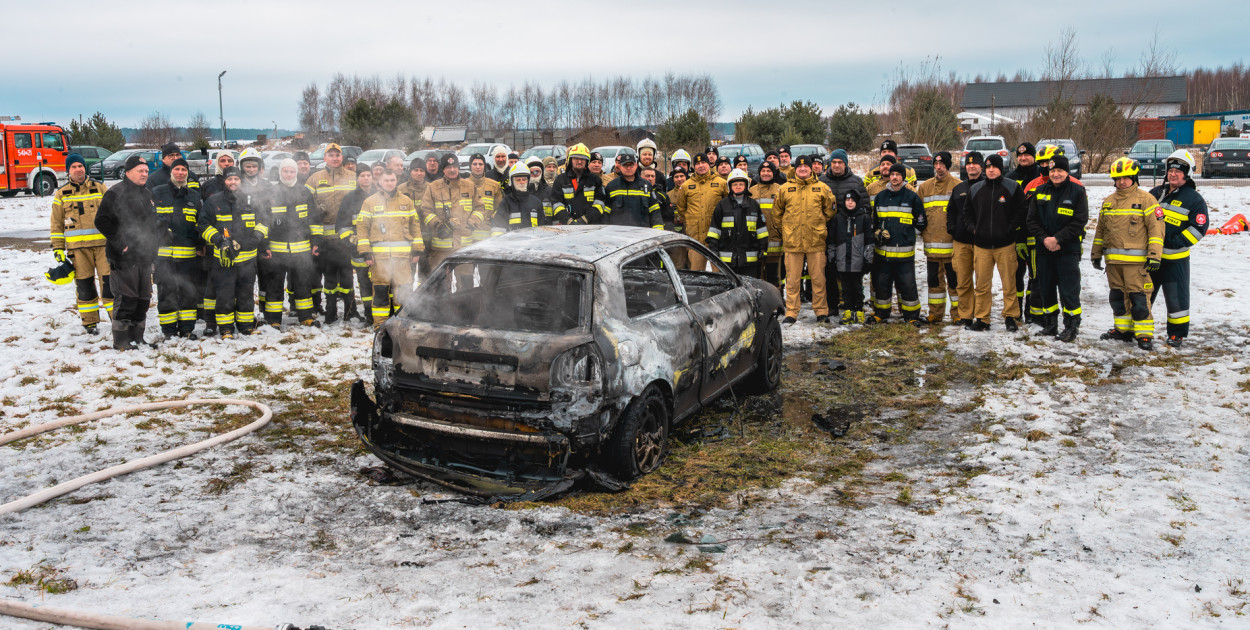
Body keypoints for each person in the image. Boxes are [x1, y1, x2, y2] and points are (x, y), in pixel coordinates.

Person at [1092, 158, 1165, 350]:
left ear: (1134, 178)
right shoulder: (1108, 202)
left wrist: (1155, 256)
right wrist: (1096, 254)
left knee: (1139, 300)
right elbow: (1101, 231)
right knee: (1117, 299)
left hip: (1137, 264)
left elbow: (1156, 230)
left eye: (1126, 178)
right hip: (1113, 263)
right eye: (1118, 178)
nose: (1122, 182)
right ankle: (1122, 330)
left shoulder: (1147, 200)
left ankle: (1144, 335)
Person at [95, 155, 162, 350]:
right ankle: (121, 340)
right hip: (124, 257)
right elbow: (101, 221)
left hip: (144, 255)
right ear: (128, 172)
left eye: (147, 171)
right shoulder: (116, 193)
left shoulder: (147, 193)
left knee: (143, 298)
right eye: (140, 171)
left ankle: (137, 337)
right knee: (126, 298)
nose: (144, 174)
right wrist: (121, 243)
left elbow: (149, 223)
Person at [199, 166, 268, 339]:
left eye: (236, 179)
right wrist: (218, 240)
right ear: (224, 181)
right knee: (225, 296)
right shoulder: (213, 202)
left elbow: (265, 220)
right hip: (224, 261)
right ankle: (226, 329)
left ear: (241, 180)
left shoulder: (251, 200)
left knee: (245, 295)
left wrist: (257, 236)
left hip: (247, 260)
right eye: (229, 179)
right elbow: (203, 225)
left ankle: (245, 326)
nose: (233, 182)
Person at [1148, 150, 1208, 348]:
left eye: (1178, 171)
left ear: (1187, 174)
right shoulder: (1156, 193)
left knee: (1176, 299)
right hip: (1151, 257)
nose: (1173, 174)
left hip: (1175, 260)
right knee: (1143, 294)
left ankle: (1176, 335)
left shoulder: (1194, 199)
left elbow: (1199, 229)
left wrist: (1174, 241)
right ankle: (1138, 329)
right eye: (1171, 170)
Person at [1025, 155, 1088, 342]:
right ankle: (1050, 325)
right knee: (1046, 288)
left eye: (1060, 170)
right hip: (1044, 249)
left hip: (1067, 249)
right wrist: (1045, 239)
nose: (1056, 174)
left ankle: (1071, 326)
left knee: (1069, 290)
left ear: (1067, 171)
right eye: (1052, 171)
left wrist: (1058, 238)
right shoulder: (1040, 190)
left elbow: (1079, 221)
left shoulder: (1077, 191)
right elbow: (1031, 220)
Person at [51, 153, 112, 333]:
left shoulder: (100, 188)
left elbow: (114, 215)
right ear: (68, 170)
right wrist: (58, 249)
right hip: (77, 251)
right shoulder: (61, 194)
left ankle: (118, 319)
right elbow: (56, 224)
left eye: (80, 166)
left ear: (85, 168)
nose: (78, 169)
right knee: (85, 287)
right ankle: (90, 323)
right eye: (74, 167)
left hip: (103, 247)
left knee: (109, 286)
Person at [964, 155, 1026, 332]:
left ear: (1001, 169)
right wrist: (973, 229)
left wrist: (1010, 229)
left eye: (995, 167)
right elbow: (967, 212)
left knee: (1009, 283)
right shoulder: (976, 189)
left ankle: (1011, 317)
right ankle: (983, 318)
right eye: (988, 167)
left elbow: (1022, 210)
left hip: (1005, 245)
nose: (991, 170)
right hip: (982, 246)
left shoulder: (1012, 187)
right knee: (982, 286)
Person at [774, 155, 835, 323]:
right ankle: (792, 312)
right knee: (793, 280)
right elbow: (777, 213)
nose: (802, 169)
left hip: (816, 241)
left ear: (811, 169)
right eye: (799, 167)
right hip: (793, 241)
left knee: (818, 279)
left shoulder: (822, 188)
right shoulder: (785, 189)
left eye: (806, 167)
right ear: (795, 169)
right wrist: (786, 229)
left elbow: (830, 212)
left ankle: (821, 311)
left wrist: (818, 227)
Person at [356, 170, 421, 328]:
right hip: (380, 260)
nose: (390, 183)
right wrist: (365, 252)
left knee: (403, 293)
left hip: (402, 258)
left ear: (396, 180)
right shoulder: (369, 202)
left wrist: (417, 249)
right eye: (386, 180)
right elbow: (362, 228)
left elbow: (415, 226)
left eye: (392, 180)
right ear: (379, 182)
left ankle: (402, 324)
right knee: (380, 293)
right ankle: (380, 326)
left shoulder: (406, 201)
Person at [304, 143, 356, 324]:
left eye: (338, 155)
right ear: (325, 158)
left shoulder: (353, 177)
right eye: (331, 155)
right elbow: (307, 207)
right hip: (324, 239)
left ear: (342, 157)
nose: (335, 158)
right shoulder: (314, 179)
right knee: (327, 277)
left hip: (346, 237)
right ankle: (327, 309)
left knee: (348, 275)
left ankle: (351, 309)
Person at [152, 157, 203, 338]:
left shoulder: (195, 197)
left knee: (188, 292)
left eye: (183, 170)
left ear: (187, 173)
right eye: (177, 169)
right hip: (164, 255)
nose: (180, 173)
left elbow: (200, 224)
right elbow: (149, 220)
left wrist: (200, 244)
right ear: (171, 171)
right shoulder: (157, 192)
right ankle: (169, 331)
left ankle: (187, 329)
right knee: (166, 293)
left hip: (188, 256)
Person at [263, 159, 318, 328]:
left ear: (296, 173)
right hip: (277, 249)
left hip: (301, 249)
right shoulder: (271, 192)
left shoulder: (304, 192)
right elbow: (263, 221)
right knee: (275, 284)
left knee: (303, 283)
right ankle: (273, 320)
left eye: (292, 172)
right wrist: (264, 244)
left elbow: (314, 219)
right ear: (280, 173)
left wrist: (316, 241)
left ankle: (306, 317)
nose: (289, 175)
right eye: (285, 171)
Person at [869, 163, 926, 324]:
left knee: (907, 285)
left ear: (903, 177)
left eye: (898, 175)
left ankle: (911, 316)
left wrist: (908, 234)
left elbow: (921, 222)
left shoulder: (912, 197)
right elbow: (876, 221)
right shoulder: (881, 196)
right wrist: (878, 232)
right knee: (882, 284)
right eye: (892, 174)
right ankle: (881, 313)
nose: (894, 177)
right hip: (883, 253)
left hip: (904, 253)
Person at [820, 149, 868, 312]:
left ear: (846, 164)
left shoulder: (856, 182)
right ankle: (832, 305)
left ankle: (855, 304)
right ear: (830, 164)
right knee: (830, 270)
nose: (837, 165)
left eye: (840, 162)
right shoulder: (821, 181)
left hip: (852, 235)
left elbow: (865, 206)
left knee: (853, 272)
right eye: (834, 162)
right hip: (829, 234)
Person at [916, 151, 961, 323]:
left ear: (948, 166)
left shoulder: (958, 186)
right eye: (936, 164)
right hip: (931, 247)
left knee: (955, 283)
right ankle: (935, 313)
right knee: (934, 284)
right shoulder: (924, 187)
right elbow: (918, 215)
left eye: (942, 165)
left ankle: (958, 314)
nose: (938, 167)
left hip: (952, 247)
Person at [706, 169, 769, 278]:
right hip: (727, 262)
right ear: (730, 186)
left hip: (749, 261)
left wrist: (762, 248)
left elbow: (761, 230)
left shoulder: (753, 205)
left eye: (741, 184)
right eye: (735, 184)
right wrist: (713, 251)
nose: (738, 186)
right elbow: (714, 231)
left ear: (746, 186)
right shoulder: (722, 205)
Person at [421, 153, 479, 268]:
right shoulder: (433, 187)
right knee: (440, 283)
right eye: (448, 167)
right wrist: (439, 225)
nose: (452, 170)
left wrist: (472, 223)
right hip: (440, 249)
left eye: (455, 167)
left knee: (466, 283)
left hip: (464, 247)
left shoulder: (470, 186)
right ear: (443, 170)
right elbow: (426, 210)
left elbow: (480, 208)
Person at [947, 152, 984, 326]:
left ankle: (982, 316)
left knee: (982, 283)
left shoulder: (987, 187)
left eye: (975, 164)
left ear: (981, 166)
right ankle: (966, 315)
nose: (971, 166)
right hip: (961, 242)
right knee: (963, 282)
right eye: (968, 164)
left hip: (982, 243)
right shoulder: (959, 188)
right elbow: (951, 212)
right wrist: (952, 228)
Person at [1008, 142, 1043, 324]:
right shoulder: (1011, 177)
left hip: (1036, 236)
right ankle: (1016, 311)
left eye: (1027, 155)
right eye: (1020, 156)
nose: (1023, 158)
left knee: (1035, 276)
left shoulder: (1040, 176)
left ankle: (1032, 312)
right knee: (1016, 276)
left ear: (1034, 156)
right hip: (1016, 236)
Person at [673, 153, 727, 270]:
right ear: (694, 166)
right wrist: (691, 221)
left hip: (716, 238)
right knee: (696, 274)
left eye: (703, 163)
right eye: (697, 164)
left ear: (709, 164)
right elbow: (681, 209)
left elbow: (727, 206)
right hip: (695, 239)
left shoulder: (721, 183)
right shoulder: (686, 186)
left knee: (720, 273)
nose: (701, 166)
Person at [337, 164, 376, 321]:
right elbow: (341, 226)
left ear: (373, 177)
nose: (366, 178)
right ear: (357, 178)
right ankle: (369, 315)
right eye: (362, 176)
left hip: (380, 249)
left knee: (380, 283)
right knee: (365, 284)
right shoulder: (349, 199)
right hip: (359, 251)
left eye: (368, 175)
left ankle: (382, 313)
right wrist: (353, 240)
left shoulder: (381, 195)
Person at [830, 189, 873, 324]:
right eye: (847, 200)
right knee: (846, 288)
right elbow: (831, 240)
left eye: (852, 200)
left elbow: (869, 240)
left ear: (857, 202)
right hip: (842, 259)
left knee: (857, 287)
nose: (850, 202)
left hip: (857, 260)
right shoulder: (838, 218)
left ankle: (859, 310)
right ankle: (848, 310)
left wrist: (868, 259)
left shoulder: (864, 218)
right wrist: (832, 258)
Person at [604, 149, 663, 228]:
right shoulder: (612, 186)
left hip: (642, 234)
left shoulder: (646, 185)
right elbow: (605, 215)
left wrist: (658, 232)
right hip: (618, 235)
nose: (629, 168)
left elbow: (655, 212)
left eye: (631, 165)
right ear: (620, 167)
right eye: (625, 165)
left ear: (636, 166)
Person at [549, 143, 606, 225]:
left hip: (590, 226)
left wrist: (585, 219)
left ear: (587, 161)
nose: (579, 161)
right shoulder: (560, 180)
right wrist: (568, 221)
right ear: (570, 159)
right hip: (567, 227)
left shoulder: (595, 180)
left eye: (583, 159)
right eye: (576, 158)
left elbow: (600, 203)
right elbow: (556, 203)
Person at [750, 161, 786, 287]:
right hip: (755, 242)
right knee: (757, 278)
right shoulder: (751, 191)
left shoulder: (780, 190)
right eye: (763, 171)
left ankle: (777, 300)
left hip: (775, 240)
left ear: (774, 173)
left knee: (774, 277)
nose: (765, 173)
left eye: (769, 171)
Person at [496, 163, 550, 232]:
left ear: (528, 181)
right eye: (518, 180)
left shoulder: (536, 202)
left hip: (532, 241)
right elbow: (498, 227)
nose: (521, 182)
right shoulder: (506, 202)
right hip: (512, 241)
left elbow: (542, 228)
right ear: (512, 182)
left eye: (524, 179)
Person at [466, 153, 498, 243]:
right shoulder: (462, 185)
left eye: (480, 164)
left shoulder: (494, 185)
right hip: (468, 237)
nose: (478, 167)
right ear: (470, 166)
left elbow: (500, 207)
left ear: (484, 166)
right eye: (475, 164)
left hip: (488, 237)